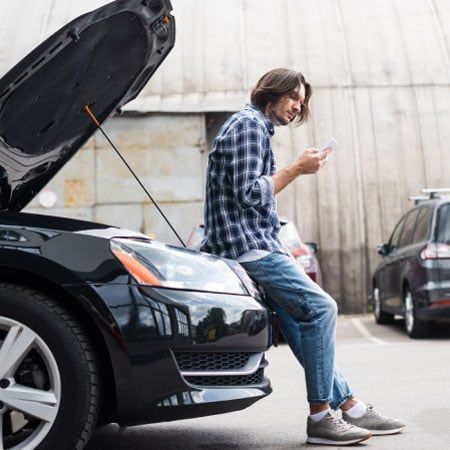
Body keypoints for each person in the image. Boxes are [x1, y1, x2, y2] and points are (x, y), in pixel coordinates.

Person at [200, 68, 405, 446]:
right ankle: (320, 418)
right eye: (293, 97)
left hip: (256, 242)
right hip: (247, 248)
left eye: (302, 101)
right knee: (322, 308)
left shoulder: (252, 126)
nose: (298, 107)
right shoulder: (249, 125)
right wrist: (296, 168)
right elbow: (248, 193)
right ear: (271, 92)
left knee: (299, 323)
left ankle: (352, 408)